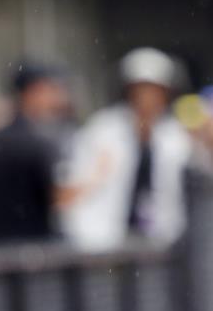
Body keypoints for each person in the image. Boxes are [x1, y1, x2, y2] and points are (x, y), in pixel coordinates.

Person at [62, 48, 192, 249]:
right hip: (102, 241)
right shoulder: (101, 131)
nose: (147, 98)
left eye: (154, 90)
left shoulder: (175, 137)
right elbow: (73, 186)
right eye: (140, 90)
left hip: (161, 243)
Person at [0, 62, 73, 244]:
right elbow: (60, 197)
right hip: (37, 255)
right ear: (33, 92)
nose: (56, 98)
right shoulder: (41, 141)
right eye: (51, 89)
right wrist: (99, 175)